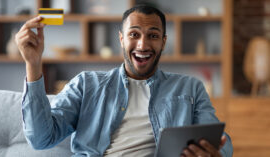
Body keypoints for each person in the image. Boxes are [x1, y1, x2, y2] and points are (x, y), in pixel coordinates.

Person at [16, 5, 233, 157]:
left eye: (153, 36)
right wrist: (33, 64)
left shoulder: (190, 88)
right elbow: (40, 139)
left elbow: (222, 141)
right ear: (121, 39)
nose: (143, 45)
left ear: (164, 42)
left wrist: (216, 153)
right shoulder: (86, 85)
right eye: (134, 35)